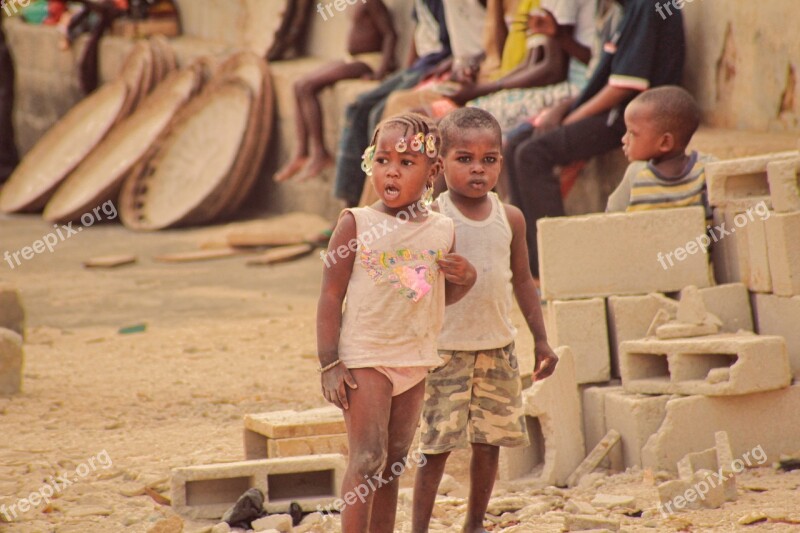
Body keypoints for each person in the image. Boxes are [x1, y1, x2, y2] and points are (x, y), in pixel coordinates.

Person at [317, 113, 477, 533]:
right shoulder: (356, 223)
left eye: (407, 163)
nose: (392, 170)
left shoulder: (442, 229)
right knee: (367, 459)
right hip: (365, 357)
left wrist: (466, 279)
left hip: (415, 359)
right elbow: (331, 295)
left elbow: (437, 294)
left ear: (433, 172)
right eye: (383, 159)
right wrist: (329, 362)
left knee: (392, 463)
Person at [411, 108, 558, 533]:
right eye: (464, 158)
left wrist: (541, 340)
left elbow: (524, 283)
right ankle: (418, 527)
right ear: (440, 163)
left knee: (489, 442)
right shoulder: (433, 217)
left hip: (498, 347)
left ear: (500, 161)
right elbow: (412, 285)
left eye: (489, 159)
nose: (478, 168)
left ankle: (474, 523)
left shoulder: (510, 218)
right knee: (435, 447)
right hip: (444, 351)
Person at [504, 0, 686, 278]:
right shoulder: (619, 11)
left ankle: (558, 265)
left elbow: (624, 86)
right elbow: (600, 76)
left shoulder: (646, 6)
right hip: (606, 109)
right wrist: (563, 108)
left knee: (532, 153)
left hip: (630, 118)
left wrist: (566, 121)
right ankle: (531, 263)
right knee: (516, 143)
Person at [332, 0, 451, 209]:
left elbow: (458, 50)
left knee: (381, 115)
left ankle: (380, 203)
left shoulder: (449, 6)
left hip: (435, 69)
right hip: (417, 68)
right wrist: (405, 72)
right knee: (357, 107)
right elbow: (418, 36)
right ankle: (350, 205)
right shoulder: (419, 4)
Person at [274, 0, 398, 182]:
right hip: (352, 59)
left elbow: (390, 35)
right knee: (298, 85)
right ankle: (301, 153)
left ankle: (320, 153)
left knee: (308, 87)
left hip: (368, 61)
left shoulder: (371, 2)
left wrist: (380, 71)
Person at [606, 86, 715, 215]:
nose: (624, 139)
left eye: (632, 133)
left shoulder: (637, 174)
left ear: (665, 142)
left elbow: (611, 219)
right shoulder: (707, 167)